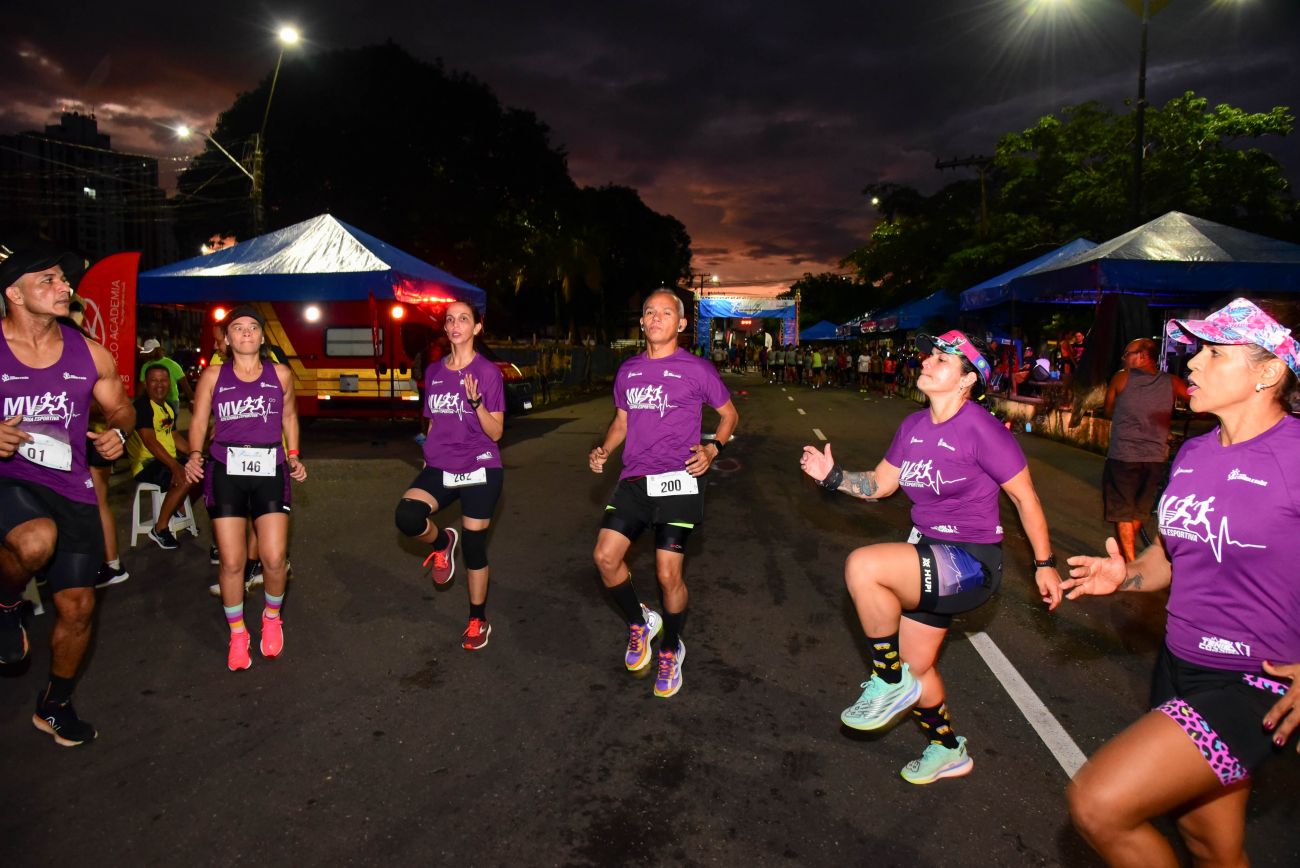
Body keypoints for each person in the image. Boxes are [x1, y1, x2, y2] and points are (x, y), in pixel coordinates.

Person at [1064, 298, 1300, 866]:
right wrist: (1126, 576)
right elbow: (1169, 556)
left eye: (1215, 354)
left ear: (1268, 372)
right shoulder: (1193, 451)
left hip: (1253, 681)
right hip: (1177, 665)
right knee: (1210, 845)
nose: (1193, 364)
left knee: (1098, 802)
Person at [800, 329, 1062, 783]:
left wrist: (1044, 564)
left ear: (967, 380)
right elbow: (881, 484)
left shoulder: (980, 428)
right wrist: (834, 477)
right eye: (929, 356)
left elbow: (1026, 499)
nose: (927, 362)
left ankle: (886, 680)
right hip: (928, 555)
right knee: (918, 668)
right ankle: (946, 749)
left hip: (971, 561)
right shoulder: (912, 427)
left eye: (942, 359)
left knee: (865, 566)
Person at [0, 241, 133, 746]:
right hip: (9, 480)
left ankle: (54, 705)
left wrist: (116, 433)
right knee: (36, 541)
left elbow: (121, 409)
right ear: (14, 293)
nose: (64, 288)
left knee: (78, 609)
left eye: (63, 279)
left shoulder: (88, 351)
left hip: (72, 488)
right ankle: (6, 601)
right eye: (48, 281)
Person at [590, 289, 739, 698]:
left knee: (667, 573)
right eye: (649, 312)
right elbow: (622, 421)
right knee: (605, 557)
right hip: (636, 481)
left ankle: (672, 647)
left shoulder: (697, 369)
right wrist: (605, 448)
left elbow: (729, 414)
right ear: (642, 322)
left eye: (666, 312)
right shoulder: (629, 371)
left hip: (679, 480)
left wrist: (713, 448)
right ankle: (640, 622)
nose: (656, 318)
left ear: (681, 324)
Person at [184, 305, 306, 671]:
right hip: (225, 470)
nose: (247, 333)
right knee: (233, 561)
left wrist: (295, 454)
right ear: (227, 338)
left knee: (272, 557)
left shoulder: (281, 374)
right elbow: (200, 419)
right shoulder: (212, 376)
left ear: (263, 335)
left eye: (253, 327)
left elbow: (289, 416)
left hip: (271, 467)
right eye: (238, 328)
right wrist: (193, 453)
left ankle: (271, 618)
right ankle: (238, 634)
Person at [393, 301, 504, 651]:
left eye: (464, 319)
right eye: (450, 319)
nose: (456, 324)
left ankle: (477, 620)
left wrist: (476, 404)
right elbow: (433, 420)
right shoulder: (436, 372)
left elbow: (497, 432)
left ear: (477, 327)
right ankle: (442, 543)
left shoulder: (488, 373)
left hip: (480, 466)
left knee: (474, 547)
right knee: (407, 516)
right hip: (441, 466)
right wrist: (428, 457)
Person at [1101, 338, 1190, 561]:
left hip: (1124, 455)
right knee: (1140, 509)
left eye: (1127, 353)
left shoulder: (1121, 378)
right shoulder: (1172, 382)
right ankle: (1130, 557)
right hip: (1155, 458)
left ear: (1142, 356)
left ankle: (1131, 563)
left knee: (1124, 510)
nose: (1124, 358)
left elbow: (1108, 409)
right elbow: (1195, 400)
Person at [129, 363, 198, 550]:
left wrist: (196, 454)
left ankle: (175, 506)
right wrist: (176, 466)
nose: (159, 385)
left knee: (202, 470)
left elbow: (174, 437)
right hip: (147, 464)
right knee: (185, 475)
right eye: (154, 381)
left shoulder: (166, 406)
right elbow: (150, 441)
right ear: (146, 384)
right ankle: (160, 529)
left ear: (169, 383)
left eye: (163, 380)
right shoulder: (142, 406)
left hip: (165, 461)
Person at [137, 338, 195, 417]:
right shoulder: (145, 366)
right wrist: (138, 404)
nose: (148, 354)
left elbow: (185, 386)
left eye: (150, 351)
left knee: (168, 427)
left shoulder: (173, 365)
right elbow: (141, 388)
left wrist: (193, 401)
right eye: (147, 352)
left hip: (171, 402)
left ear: (157, 350)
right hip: (152, 402)